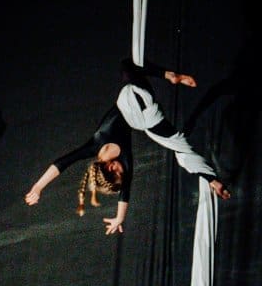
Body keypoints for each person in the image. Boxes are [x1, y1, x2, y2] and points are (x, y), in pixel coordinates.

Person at [24, 57, 231, 235]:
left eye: (120, 172)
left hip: (144, 113)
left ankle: (212, 179)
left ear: (111, 167)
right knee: (128, 65)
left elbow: (63, 164)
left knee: (181, 148)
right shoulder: (96, 146)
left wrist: (38, 187)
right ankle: (169, 76)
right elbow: (64, 163)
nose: (124, 171)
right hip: (134, 102)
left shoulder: (117, 157)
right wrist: (38, 187)